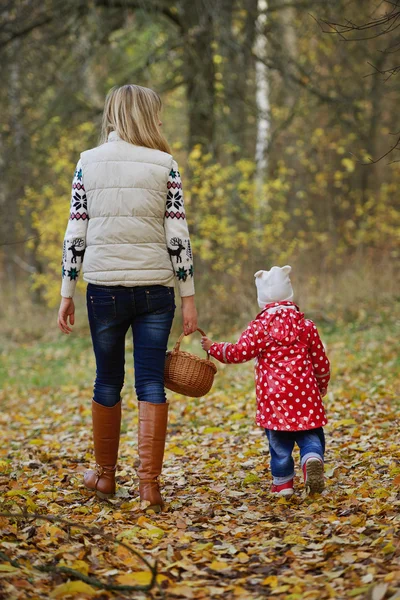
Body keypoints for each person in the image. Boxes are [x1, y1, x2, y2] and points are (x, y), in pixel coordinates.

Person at [57, 84, 197, 512]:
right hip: (157, 290)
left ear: (114, 115)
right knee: (151, 383)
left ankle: (104, 478)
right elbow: (178, 235)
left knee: (107, 381)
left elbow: (75, 232)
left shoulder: (88, 163)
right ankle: (149, 487)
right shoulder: (165, 165)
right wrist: (188, 295)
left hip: (104, 290)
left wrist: (67, 291)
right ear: (147, 116)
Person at [201, 266, 330, 497]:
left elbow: (239, 352)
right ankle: (311, 460)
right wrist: (322, 384)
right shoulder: (306, 326)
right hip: (305, 393)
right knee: (310, 434)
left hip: (274, 397)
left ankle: (283, 485)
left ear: (262, 298)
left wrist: (214, 348)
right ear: (289, 293)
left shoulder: (258, 328)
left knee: (279, 444)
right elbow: (320, 360)